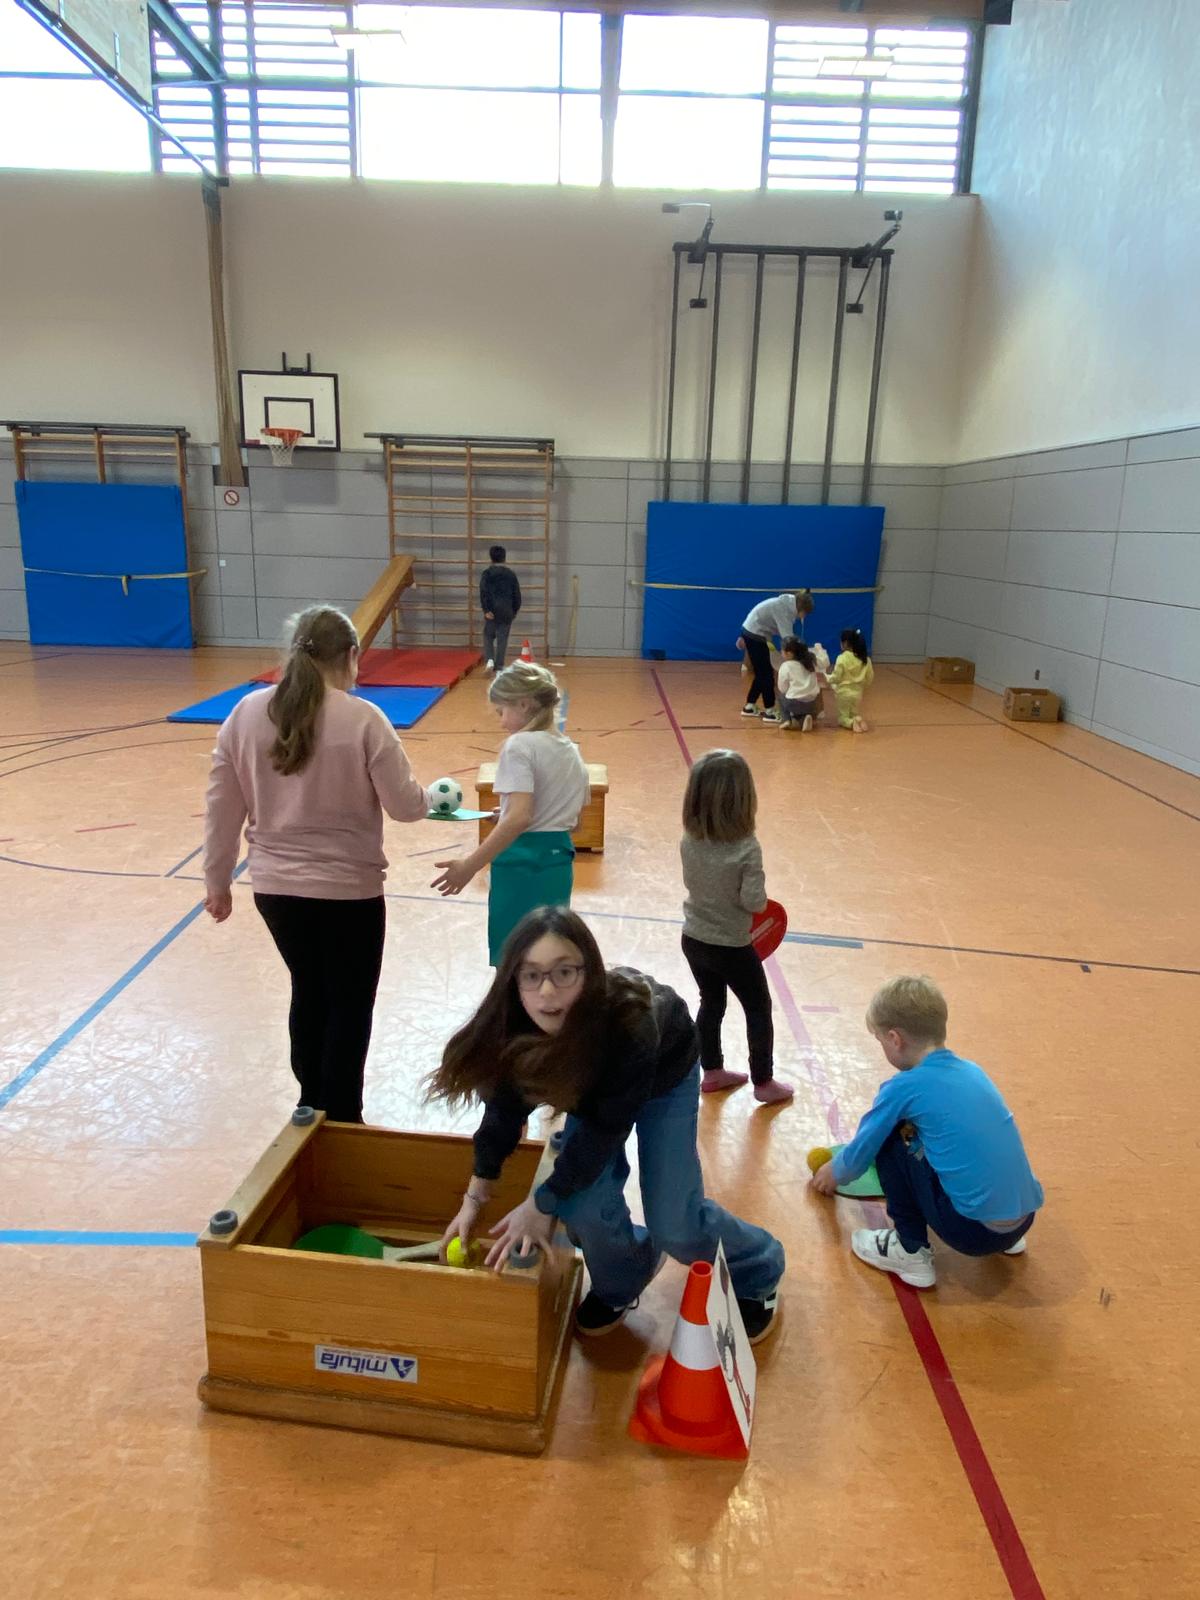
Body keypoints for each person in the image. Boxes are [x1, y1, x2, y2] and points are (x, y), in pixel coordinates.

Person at [427, 907, 785, 1342]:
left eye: (564, 972)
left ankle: (759, 1268)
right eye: (531, 975)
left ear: (589, 973)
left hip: (664, 1074)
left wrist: (539, 1205)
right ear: (513, 981)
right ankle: (626, 1274)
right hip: (597, 1091)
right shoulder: (515, 1025)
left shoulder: (629, 1025)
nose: (547, 992)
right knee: (579, 1204)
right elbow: (502, 1115)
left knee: (675, 1222)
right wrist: (475, 1196)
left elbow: (602, 1134)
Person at [203, 606, 434, 1122]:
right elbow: (404, 807)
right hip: (349, 893)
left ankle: (310, 1105)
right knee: (349, 1005)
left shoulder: (244, 714)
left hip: (276, 891)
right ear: (351, 655)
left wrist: (217, 882)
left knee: (309, 989)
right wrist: (429, 799)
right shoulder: (364, 719)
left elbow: (221, 807)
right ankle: (344, 1119)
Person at [810, 976, 1043, 1289]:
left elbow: (863, 1150)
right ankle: (1007, 1238)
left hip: (972, 1233)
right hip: (1023, 1219)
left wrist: (833, 1173)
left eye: (880, 1041)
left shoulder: (904, 1087)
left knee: (892, 1135)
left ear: (895, 1039)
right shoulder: (973, 1071)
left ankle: (910, 1250)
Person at [431, 661, 589, 965]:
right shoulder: (571, 750)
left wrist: (469, 866)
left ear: (524, 704)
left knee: (514, 962)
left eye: (501, 711)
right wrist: (506, 811)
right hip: (558, 864)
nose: (502, 723)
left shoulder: (519, 746)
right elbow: (574, 822)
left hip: (520, 864)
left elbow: (519, 818)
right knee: (548, 958)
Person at [679, 751, 793, 1106]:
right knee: (758, 1008)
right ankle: (764, 1081)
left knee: (711, 1002)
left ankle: (712, 1070)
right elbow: (754, 902)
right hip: (732, 946)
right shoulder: (747, 849)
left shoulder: (689, 840)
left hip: (694, 938)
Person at [739, 588, 813, 724]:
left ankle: (749, 706)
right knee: (766, 675)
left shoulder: (788, 605)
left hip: (753, 632)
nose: (803, 617)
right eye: (805, 614)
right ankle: (770, 711)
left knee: (761, 673)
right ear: (801, 609)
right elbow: (788, 640)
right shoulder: (783, 610)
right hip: (755, 635)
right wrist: (803, 656)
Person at [479, 544, 522, 672]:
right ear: (504, 558)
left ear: (491, 558)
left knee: (488, 635)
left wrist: (486, 610)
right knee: (502, 638)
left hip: (492, 609)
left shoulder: (487, 574)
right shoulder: (511, 574)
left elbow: (483, 592)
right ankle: (499, 665)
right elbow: (517, 594)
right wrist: (514, 610)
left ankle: (490, 659)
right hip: (507, 609)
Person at [828, 627, 874, 732]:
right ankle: (857, 719)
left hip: (843, 694)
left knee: (842, 717)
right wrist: (862, 687)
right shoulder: (866, 660)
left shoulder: (842, 658)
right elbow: (869, 678)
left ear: (845, 643)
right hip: (858, 694)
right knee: (853, 713)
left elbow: (836, 677)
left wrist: (827, 678)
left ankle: (851, 723)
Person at [776, 637, 825, 732]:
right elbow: (824, 662)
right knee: (803, 705)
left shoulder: (786, 666)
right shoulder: (810, 663)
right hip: (813, 703)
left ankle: (786, 720)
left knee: (781, 697)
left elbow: (782, 688)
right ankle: (806, 719)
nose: (781, 652)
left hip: (794, 703)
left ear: (789, 653)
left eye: (782, 650)